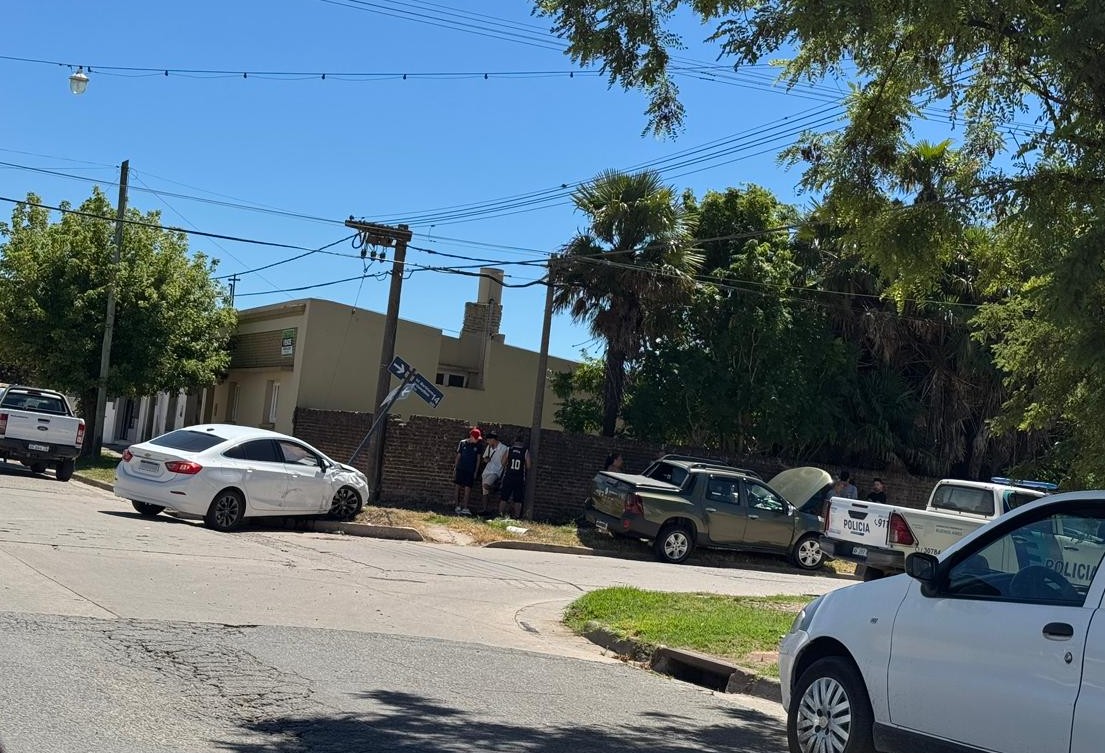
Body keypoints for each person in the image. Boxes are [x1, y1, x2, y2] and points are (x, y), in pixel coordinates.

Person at [498, 435, 531, 519]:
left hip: (508, 476)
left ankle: (500, 514)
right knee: (518, 498)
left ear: (514, 441)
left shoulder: (509, 450)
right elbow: (528, 466)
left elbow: (502, 462)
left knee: (504, 496)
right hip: (519, 478)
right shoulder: (525, 451)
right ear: (522, 443)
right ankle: (516, 516)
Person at [453, 427, 483, 516]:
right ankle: (457, 506)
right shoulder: (462, 443)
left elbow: (478, 459)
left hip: (470, 470)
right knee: (457, 487)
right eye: (476, 438)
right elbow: (458, 456)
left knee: (468, 489)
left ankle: (465, 507)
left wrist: (476, 471)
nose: (477, 440)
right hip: (460, 468)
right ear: (471, 436)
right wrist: (455, 468)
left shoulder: (478, 445)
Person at [480, 432, 509, 514]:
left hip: (496, 471)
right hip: (487, 471)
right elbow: (484, 458)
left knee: (486, 485)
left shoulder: (504, 448)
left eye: (488, 440)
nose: (487, 442)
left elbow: (505, 461)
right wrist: (486, 460)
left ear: (493, 439)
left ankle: (495, 489)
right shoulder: (489, 447)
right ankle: (485, 509)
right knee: (485, 492)